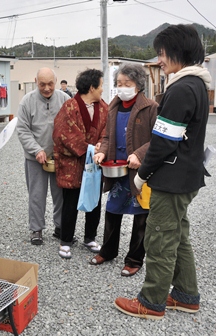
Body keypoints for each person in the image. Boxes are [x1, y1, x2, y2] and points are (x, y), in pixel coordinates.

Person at [114, 24, 211, 320]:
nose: (160, 60)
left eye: (162, 53)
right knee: (178, 236)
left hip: (171, 178)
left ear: (177, 52)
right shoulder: (198, 86)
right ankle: (185, 294)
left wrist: (141, 175)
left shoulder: (181, 89)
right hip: (187, 176)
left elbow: (163, 142)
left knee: (159, 239)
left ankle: (151, 301)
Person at [89, 63, 158, 276]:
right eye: (119, 83)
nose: (122, 87)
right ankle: (108, 251)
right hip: (117, 169)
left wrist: (139, 154)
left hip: (140, 172)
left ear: (138, 85)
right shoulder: (113, 106)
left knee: (141, 216)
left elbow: (158, 139)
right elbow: (108, 136)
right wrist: (102, 152)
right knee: (112, 210)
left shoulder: (151, 107)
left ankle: (135, 259)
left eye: (127, 84)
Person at [53, 69, 108, 259]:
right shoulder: (69, 106)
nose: (102, 89)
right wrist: (90, 149)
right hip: (73, 163)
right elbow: (63, 133)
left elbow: (107, 131)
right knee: (71, 201)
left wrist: (101, 146)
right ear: (92, 87)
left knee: (95, 200)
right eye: (100, 86)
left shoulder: (103, 107)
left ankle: (90, 237)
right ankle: (66, 240)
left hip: (95, 161)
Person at [16, 67, 70, 245]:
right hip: (35, 158)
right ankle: (36, 229)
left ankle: (61, 226)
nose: (46, 88)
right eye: (42, 84)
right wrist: (36, 149)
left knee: (61, 194)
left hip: (59, 157)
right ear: (35, 82)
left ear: (56, 82)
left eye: (50, 84)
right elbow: (23, 130)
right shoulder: (27, 101)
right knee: (36, 195)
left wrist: (63, 150)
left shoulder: (65, 99)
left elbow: (72, 127)